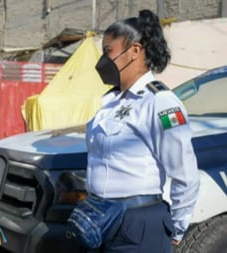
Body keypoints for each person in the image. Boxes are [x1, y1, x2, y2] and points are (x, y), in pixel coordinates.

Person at [85, 9, 200, 252]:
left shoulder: (161, 103)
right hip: (100, 218)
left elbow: (185, 173)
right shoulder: (112, 101)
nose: (102, 61)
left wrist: (177, 228)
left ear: (134, 51)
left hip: (137, 223)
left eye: (108, 52)